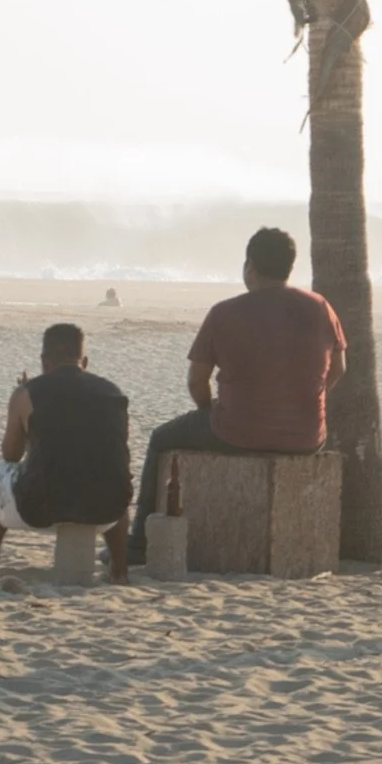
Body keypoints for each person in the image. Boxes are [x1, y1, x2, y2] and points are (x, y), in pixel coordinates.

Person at [128, 227, 346, 563]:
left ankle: (138, 545)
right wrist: (310, 395)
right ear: (289, 267)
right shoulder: (320, 308)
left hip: (236, 431)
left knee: (160, 439)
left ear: (250, 268)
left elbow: (196, 381)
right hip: (307, 436)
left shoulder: (224, 312)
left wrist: (207, 412)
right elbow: (339, 368)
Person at [0, 323, 132, 582]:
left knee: (0, 474)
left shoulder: (26, 393)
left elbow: (11, 455)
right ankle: (120, 570)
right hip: (109, 507)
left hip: (43, 506)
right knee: (112, 472)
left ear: (44, 361)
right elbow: (113, 445)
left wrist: (29, 426)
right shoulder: (113, 392)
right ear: (85, 361)